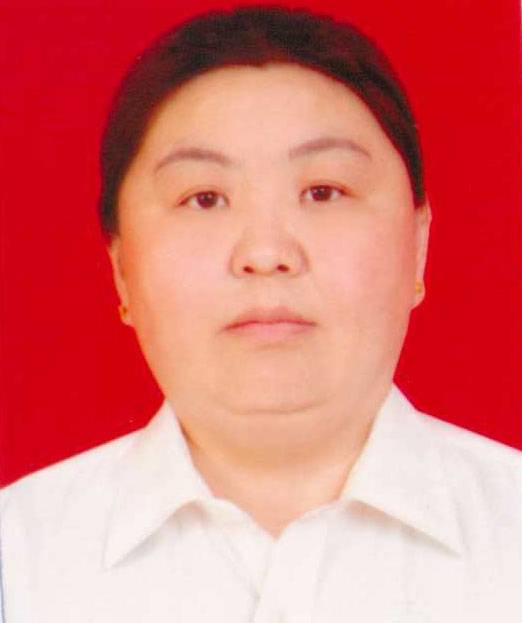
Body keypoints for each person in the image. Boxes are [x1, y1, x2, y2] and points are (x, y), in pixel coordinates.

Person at [1, 5, 521, 622]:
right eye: (204, 198)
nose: (266, 253)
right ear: (121, 269)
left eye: (324, 192)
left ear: (419, 245)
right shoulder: (19, 559)